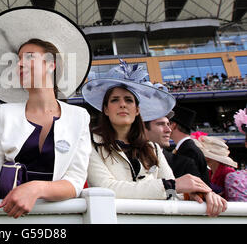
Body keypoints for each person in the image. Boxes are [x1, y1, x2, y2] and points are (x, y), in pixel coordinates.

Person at [0, 7, 92, 219]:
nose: (19, 64)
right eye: (18, 59)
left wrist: (36, 189)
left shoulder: (79, 116)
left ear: (51, 64)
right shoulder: (3, 114)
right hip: (8, 218)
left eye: (29, 57)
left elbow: (75, 181)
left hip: (60, 218)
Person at [83, 61, 227, 217]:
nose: (122, 104)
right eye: (115, 100)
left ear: (137, 110)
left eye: (129, 100)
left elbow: (172, 192)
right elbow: (106, 188)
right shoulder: (90, 143)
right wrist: (171, 185)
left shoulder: (153, 148)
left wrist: (195, 194)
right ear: (105, 109)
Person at [144, 112, 201, 178]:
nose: (169, 130)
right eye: (161, 124)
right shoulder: (131, 160)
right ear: (143, 128)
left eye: (168, 124)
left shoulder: (185, 165)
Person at [169, 106, 211, 186]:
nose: (166, 128)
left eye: (168, 124)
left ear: (174, 125)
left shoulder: (188, 150)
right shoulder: (187, 147)